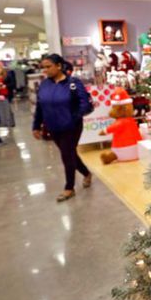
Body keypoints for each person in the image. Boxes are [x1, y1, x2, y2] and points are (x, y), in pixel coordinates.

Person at [32, 54, 93, 202]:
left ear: (59, 66)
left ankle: (69, 187)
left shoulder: (73, 83)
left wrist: (73, 117)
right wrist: (36, 125)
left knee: (66, 154)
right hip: (53, 126)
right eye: (43, 67)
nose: (45, 70)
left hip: (71, 126)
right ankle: (87, 173)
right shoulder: (44, 85)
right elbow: (40, 106)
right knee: (70, 153)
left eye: (48, 66)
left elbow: (85, 104)